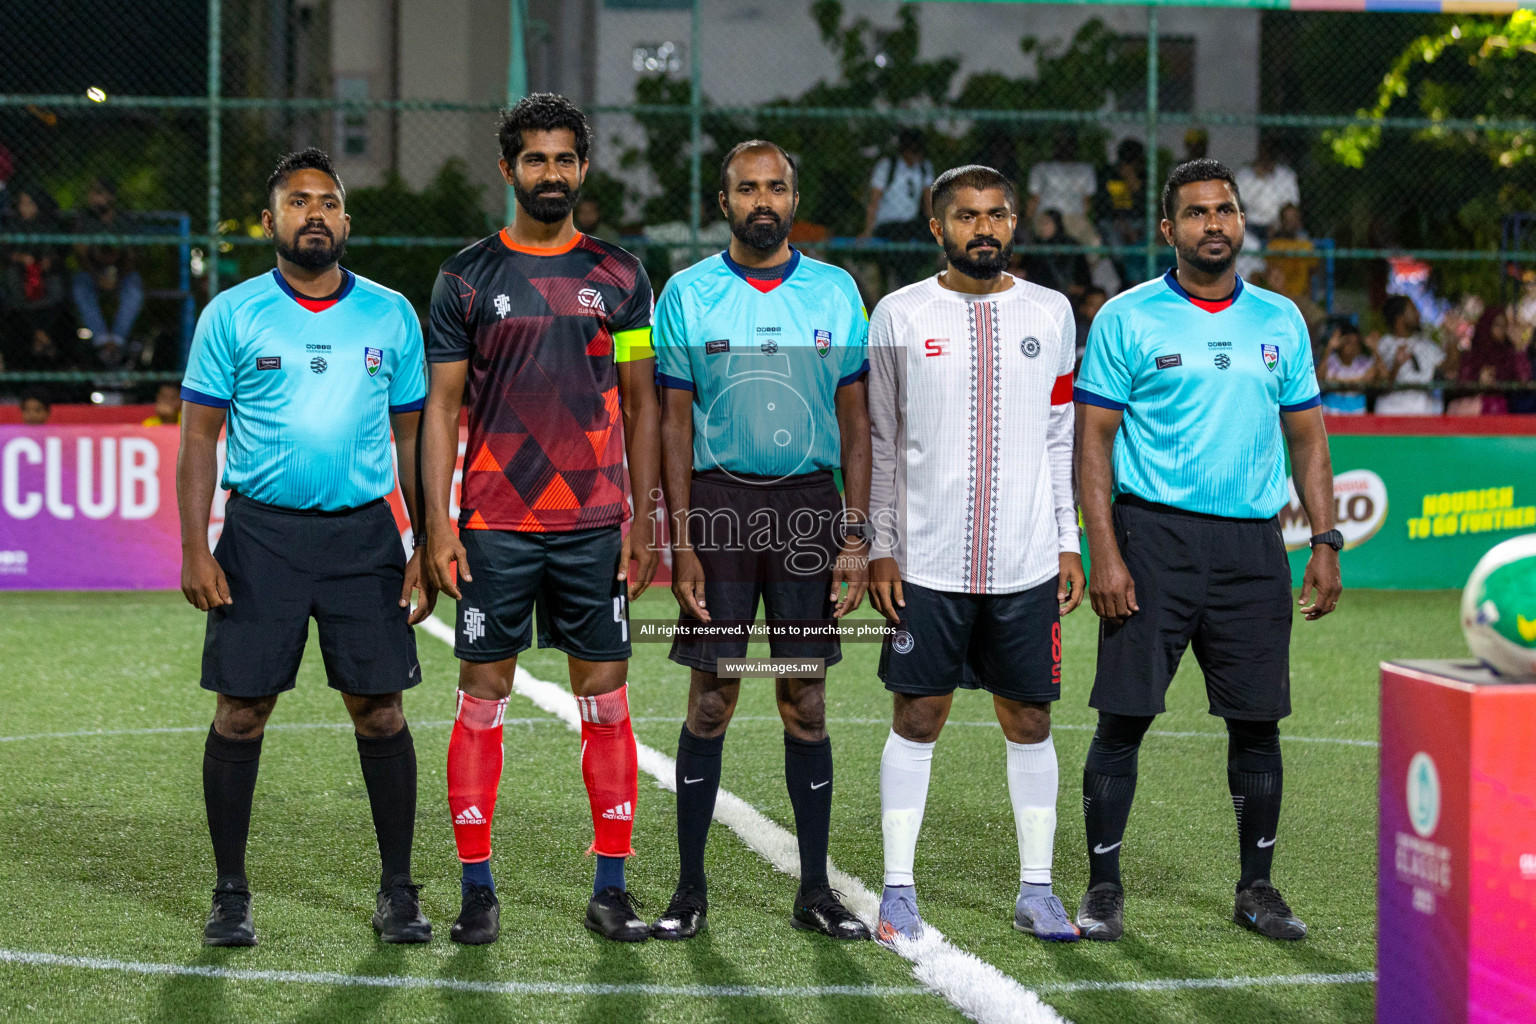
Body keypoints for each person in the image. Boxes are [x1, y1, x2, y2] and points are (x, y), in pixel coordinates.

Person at [1073, 158, 1341, 943]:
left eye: (1225, 209)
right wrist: (1106, 553)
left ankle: (1257, 887)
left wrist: (1324, 540)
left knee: (1258, 725)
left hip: (1254, 547)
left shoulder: (1280, 320)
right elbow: (1093, 444)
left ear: (1240, 221)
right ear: (1169, 230)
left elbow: (1308, 440)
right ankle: (1103, 887)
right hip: (1152, 539)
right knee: (1122, 720)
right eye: (1196, 213)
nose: (1214, 223)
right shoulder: (1127, 317)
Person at [176, 148, 433, 948]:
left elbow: (414, 436)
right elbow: (197, 438)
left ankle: (397, 891)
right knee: (242, 712)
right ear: (271, 221)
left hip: (364, 535)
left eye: (328, 202)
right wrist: (195, 544)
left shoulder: (391, 314)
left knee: (380, 712)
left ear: (346, 221)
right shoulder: (232, 314)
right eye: (298, 202)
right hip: (260, 537)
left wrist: (425, 542)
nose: (314, 213)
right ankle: (230, 895)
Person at [421, 94, 661, 945]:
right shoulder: (465, 277)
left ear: (583, 169)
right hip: (494, 521)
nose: (550, 173)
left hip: (595, 522)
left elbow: (642, 405)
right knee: (481, 698)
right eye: (535, 160)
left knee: (606, 701)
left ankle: (610, 888)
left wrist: (645, 519)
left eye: (565, 159)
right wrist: (440, 524)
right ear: (509, 170)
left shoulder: (624, 277)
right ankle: (478, 891)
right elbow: (441, 410)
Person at [647, 140, 873, 943]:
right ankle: (689, 890)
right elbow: (673, 422)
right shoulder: (687, 293)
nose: (763, 199)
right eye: (748, 188)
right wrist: (681, 540)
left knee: (804, 699)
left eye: (776, 185)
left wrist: (855, 531)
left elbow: (855, 420)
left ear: (793, 194)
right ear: (725, 201)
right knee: (712, 699)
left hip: (811, 510)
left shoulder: (838, 291)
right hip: (720, 506)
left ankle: (815, 891)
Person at [867, 164, 1085, 945]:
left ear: (1015, 222)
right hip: (925, 562)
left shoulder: (1052, 312)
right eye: (965, 216)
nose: (982, 228)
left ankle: (1038, 890)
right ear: (937, 228)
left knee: (1029, 718)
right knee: (919, 714)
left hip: (1027, 561)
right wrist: (881, 547)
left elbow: (1061, 434)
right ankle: (897, 891)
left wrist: (1068, 539)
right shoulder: (898, 312)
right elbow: (881, 440)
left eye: (996, 214)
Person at [72, 177, 144, 367]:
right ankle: (103, 340)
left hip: (122, 274)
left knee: (134, 288)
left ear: (110, 197)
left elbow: (131, 257)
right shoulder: (84, 220)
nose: (93, 199)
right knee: (80, 286)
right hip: (93, 274)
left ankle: (116, 341)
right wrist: (98, 277)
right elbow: (82, 256)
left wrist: (117, 278)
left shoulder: (123, 221)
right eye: (91, 194)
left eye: (98, 194)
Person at [2, 185, 72, 370]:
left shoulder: (51, 224)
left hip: (46, 274)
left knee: (58, 283)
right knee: (11, 279)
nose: (24, 208)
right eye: (22, 204)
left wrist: (48, 261)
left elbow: (61, 251)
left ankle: (44, 333)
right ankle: (34, 332)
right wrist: (20, 258)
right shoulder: (13, 223)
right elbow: (5, 251)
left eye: (29, 203)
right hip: (20, 274)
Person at [860, 129, 935, 290]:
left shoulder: (923, 167)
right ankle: (902, 283)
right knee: (902, 244)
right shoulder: (888, 166)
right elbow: (874, 201)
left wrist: (936, 228)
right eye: (912, 151)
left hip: (910, 224)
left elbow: (928, 203)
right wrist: (868, 231)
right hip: (888, 224)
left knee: (923, 238)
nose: (915, 156)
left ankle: (908, 282)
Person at [1374, 295, 1450, 416]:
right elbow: (1381, 384)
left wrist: (1452, 337)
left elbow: (1449, 370)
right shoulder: (1384, 344)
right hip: (1390, 412)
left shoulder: (1427, 345)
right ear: (1399, 318)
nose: (1418, 314)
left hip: (1423, 412)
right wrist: (1396, 365)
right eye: (1413, 310)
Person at [1026, 131, 1098, 246]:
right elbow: (1034, 200)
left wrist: (1081, 219)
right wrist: (1029, 222)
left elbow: (1086, 203)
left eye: (1067, 144)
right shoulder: (1041, 168)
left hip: (1073, 217)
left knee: (1094, 242)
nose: (1065, 148)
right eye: (1061, 144)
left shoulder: (1085, 170)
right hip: (1047, 214)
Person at [1458, 305, 1532, 416]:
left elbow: (1524, 380)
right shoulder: (1473, 354)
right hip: (1473, 409)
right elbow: (1461, 383)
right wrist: (1479, 379)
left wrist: (1518, 348)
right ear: (1487, 325)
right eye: (1497, 325)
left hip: (1502, 409)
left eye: (1504, 326)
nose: (1502, 330)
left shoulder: (1509, 353)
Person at [1233, 140, 1299, 245]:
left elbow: (1290, 206)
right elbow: (1238, 205)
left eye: (1271, 153)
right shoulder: (1245, 175)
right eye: (1264, 153)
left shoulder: (1286, 175)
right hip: (1250, 224)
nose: (1267, 157)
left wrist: (1277, 226)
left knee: (1290, 217)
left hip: (1277, 225)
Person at [1018, 209, 1092, 301]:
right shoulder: (1035, 244)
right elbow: (1025, 270)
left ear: (1057, 224)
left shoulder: (1071, 245)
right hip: (1038, 292)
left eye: (1046, 223)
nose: (1042, 227)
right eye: (1040, 223)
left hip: (1067, 294)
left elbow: (1083, 275)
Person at [1319, 322, 1379, 415]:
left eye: (1356, 343)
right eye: (1348, 343)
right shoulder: (1330, 360)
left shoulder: (1363, 362)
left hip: (1357, 413)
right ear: (1340, 344)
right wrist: (1329, 348)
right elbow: (1319, 379)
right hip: (1330, 412)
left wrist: (1375, 350)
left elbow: (1372, 377)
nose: (1353, 347)